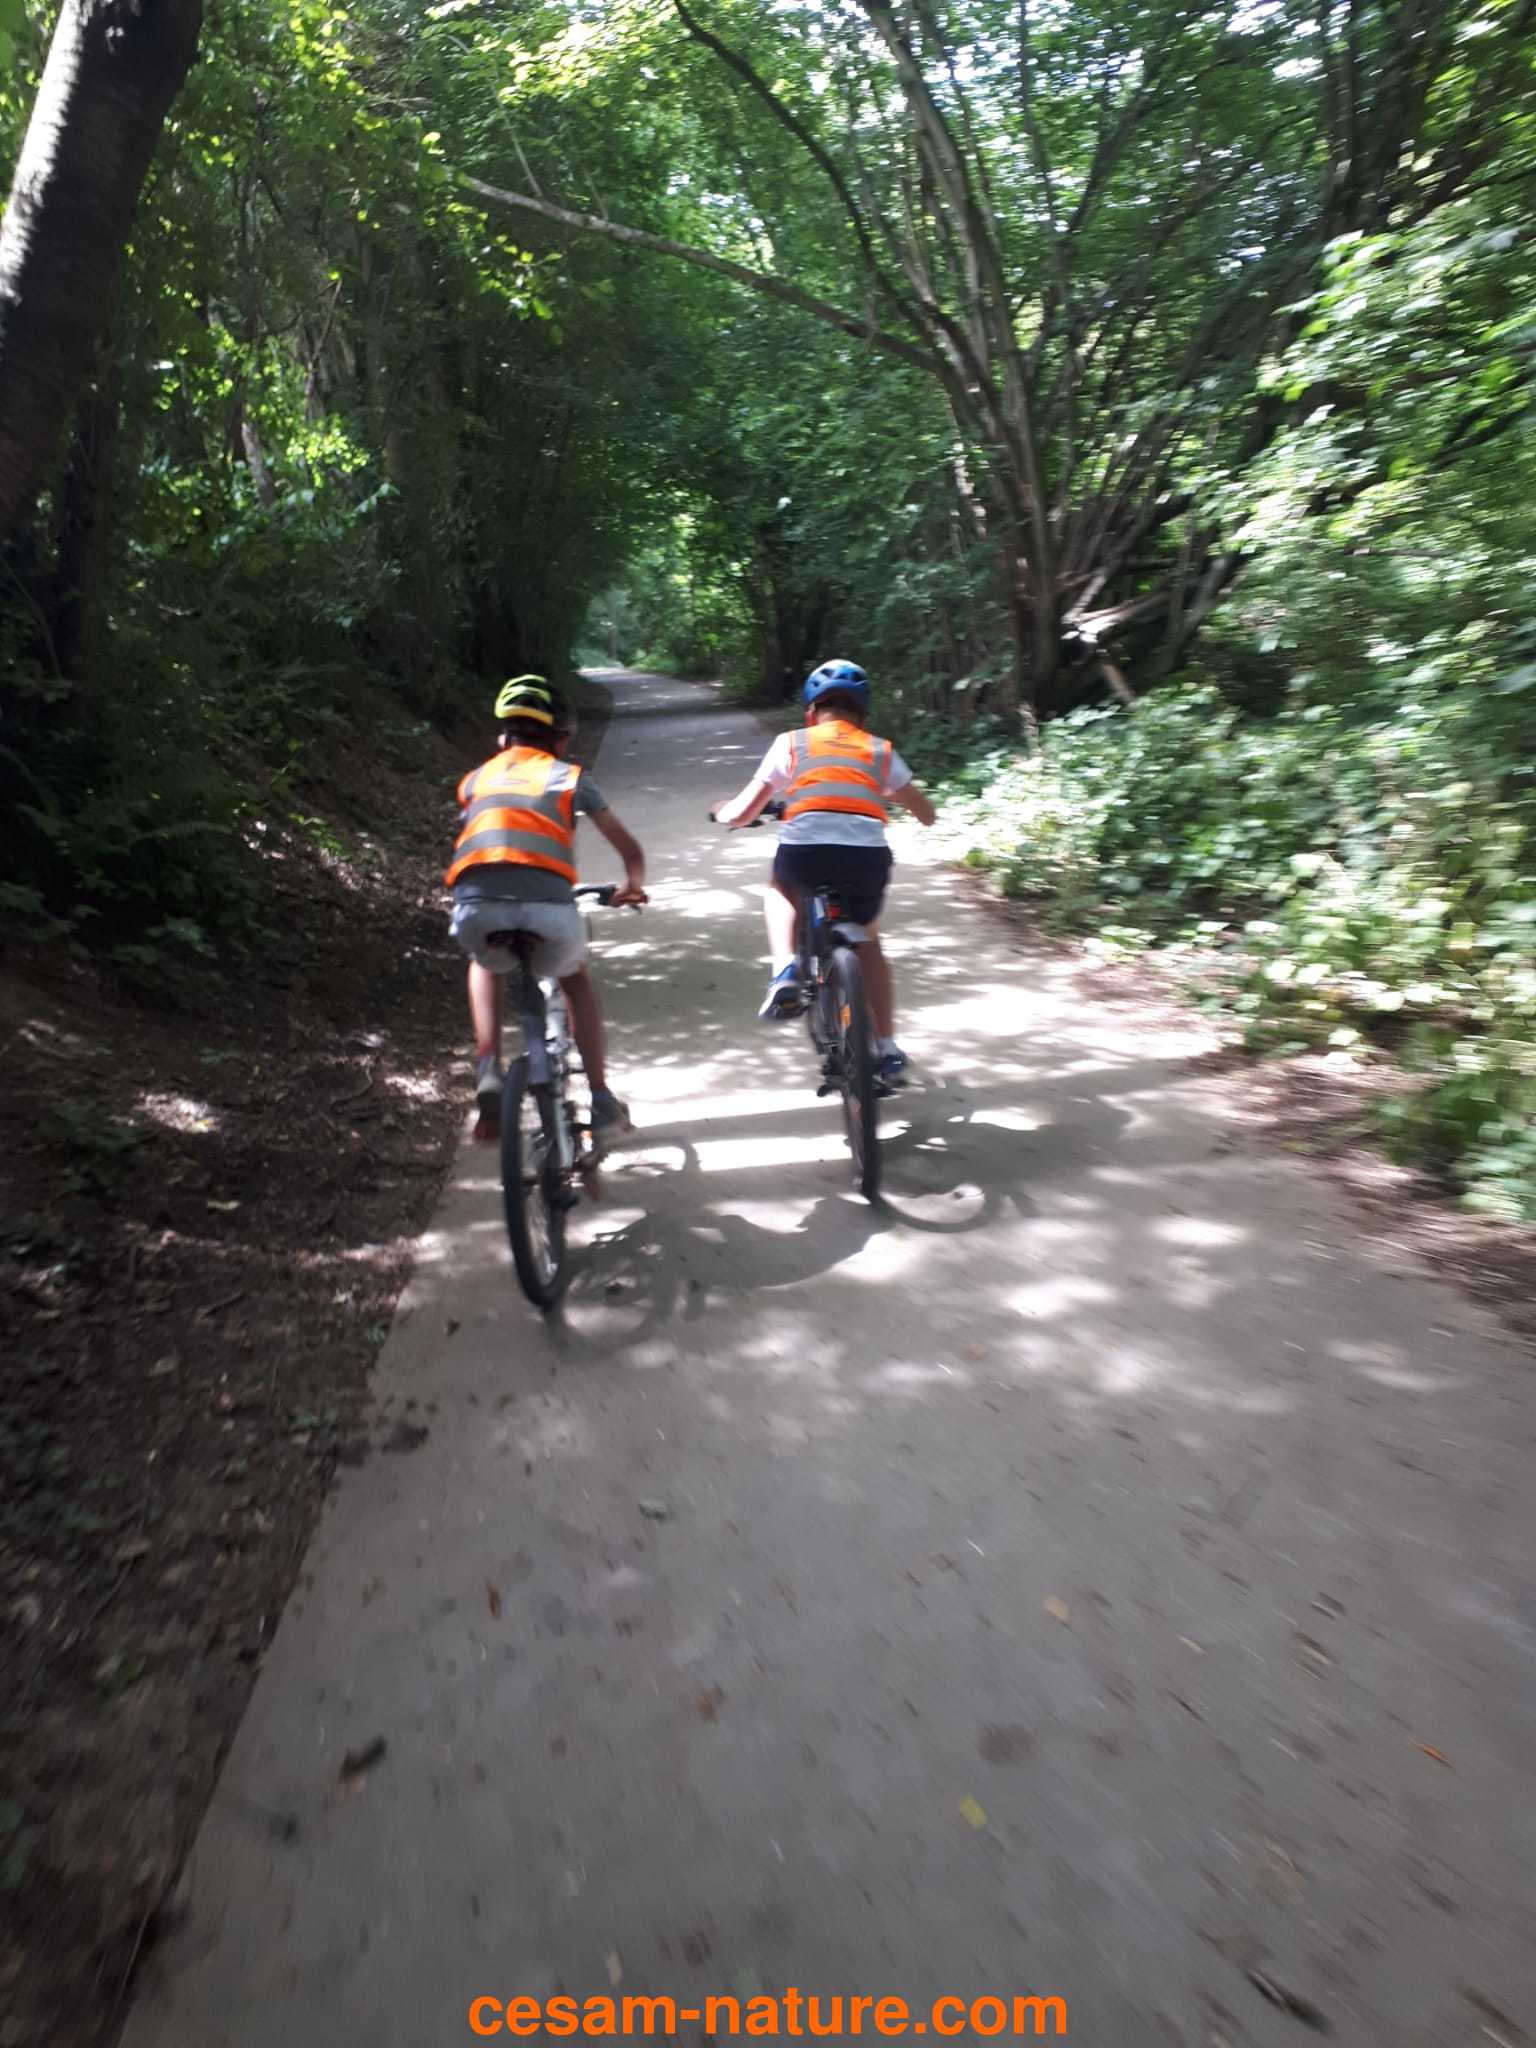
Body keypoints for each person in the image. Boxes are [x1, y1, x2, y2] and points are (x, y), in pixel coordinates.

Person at [713, 658, 935, 1086]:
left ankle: (784, 971)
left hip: (806, 853)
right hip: (866, 859)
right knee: (868, 939)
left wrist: (725, 813)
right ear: (863, 716)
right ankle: (887, 1047)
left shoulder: (792, 743)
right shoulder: (878, 750)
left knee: (781, 889)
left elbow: (743, 812)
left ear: (811, 712)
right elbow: (925, 813)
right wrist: (895, 796)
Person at [446, 676, 647, 1143]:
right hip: (548, 910)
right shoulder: (568, 776)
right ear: (561, 740)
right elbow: (629, 850)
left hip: (476, 908)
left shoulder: (475, 780)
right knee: (573, 979)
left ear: (503, 739)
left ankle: (488, 1067)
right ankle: (600, 1098)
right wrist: (632, 887)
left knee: (483, 964)